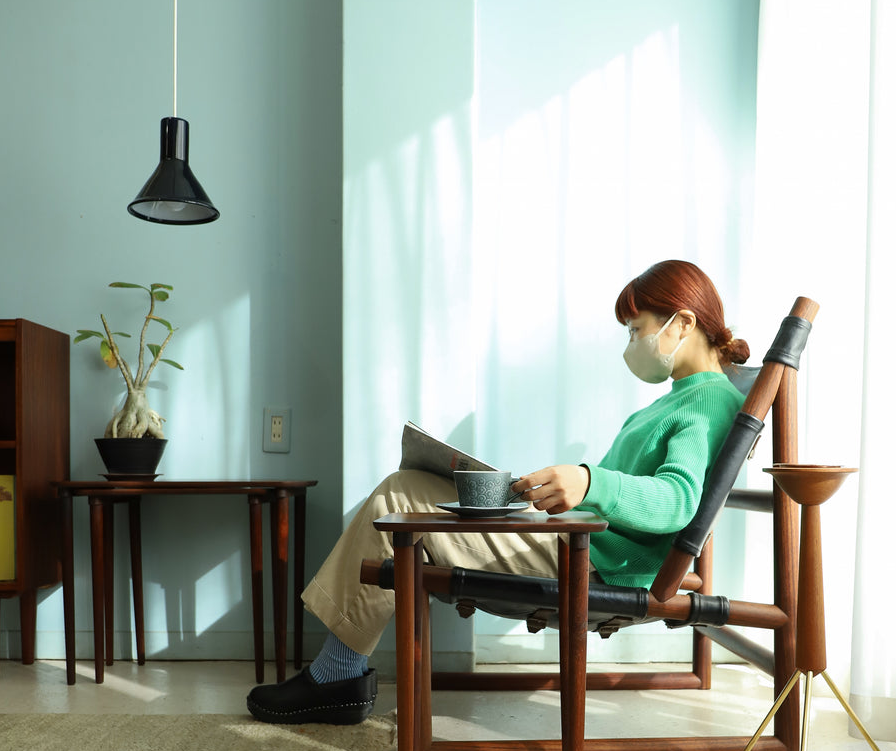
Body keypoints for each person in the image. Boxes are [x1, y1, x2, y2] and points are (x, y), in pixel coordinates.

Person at [246, 259, 750, 725]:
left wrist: (589, 481)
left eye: (637, 330)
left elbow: (679, 501)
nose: (631, 344)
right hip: (575, 542)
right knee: (406, 488)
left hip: (595, 563)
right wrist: (568, 489)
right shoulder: (671, 404)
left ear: (682, 323)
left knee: (397, 503)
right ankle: (338, 675)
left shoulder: (705, 404)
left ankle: (336, 679)